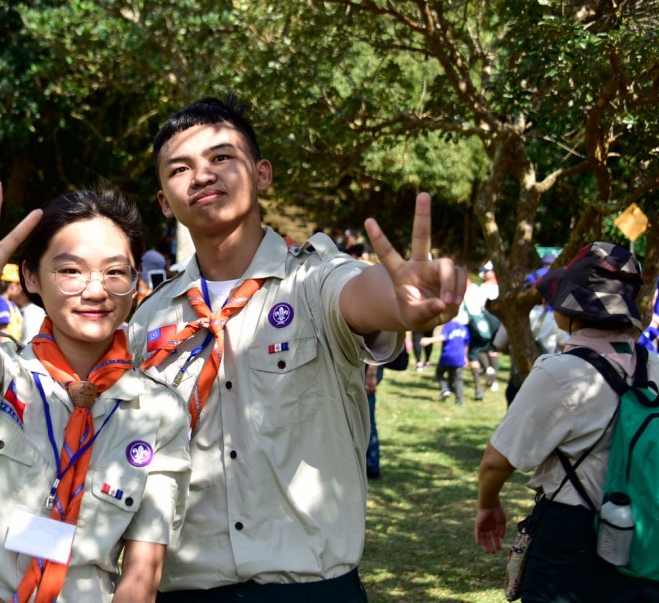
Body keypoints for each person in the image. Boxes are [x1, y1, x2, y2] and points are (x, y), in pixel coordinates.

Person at [126, 95, 464, 601]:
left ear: (262, 175)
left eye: (221, 158)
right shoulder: (149, 320)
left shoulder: (313, 281)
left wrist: (400, 299)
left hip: (309, 588)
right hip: (188, 587)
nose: (201, 175)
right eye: (180, 168)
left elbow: (358, 296)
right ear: (163, 201)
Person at [0, 183, 191, 603]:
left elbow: (143, 566)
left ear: (137, 282)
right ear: (30, 276)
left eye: (116, 271)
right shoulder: (7, 374)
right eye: (70, 270)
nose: (95, 290)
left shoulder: (158, 410)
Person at [474, 242, 659, 602]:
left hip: (571, 542)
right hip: (643, 537)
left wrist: (487, 503)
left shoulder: (559, 373)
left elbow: (496, 462)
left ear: (573, 306)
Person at [420, 318, 470, 405]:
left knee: (439, 373)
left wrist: (429, 340)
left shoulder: (448, 326)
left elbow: (443, 337)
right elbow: (466, 343)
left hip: (447, 357)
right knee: (458, 379)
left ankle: (445, 389)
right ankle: (459, 401)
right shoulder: (464, 328)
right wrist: (465, 357)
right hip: (459, 358)